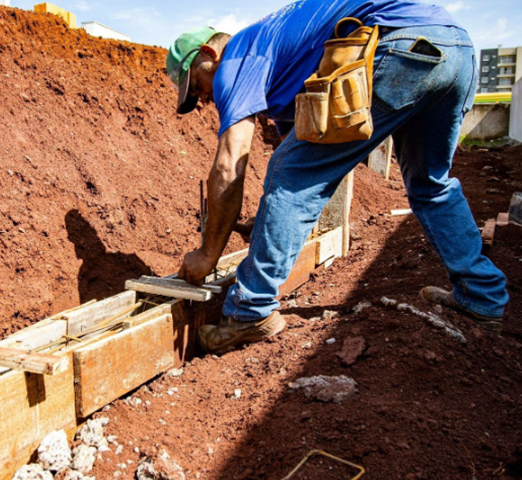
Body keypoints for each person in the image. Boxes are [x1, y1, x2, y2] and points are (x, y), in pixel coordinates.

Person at [167, 0, 509, 354]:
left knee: (287, 174)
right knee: (430, 184)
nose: (203, 100)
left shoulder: (236, 59)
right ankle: (481, 296)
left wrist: (208, 253)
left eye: (196, 86)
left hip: (399, 48)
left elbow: (231, 165)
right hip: (455, 50)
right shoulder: (278, 60)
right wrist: (270, 222)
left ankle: (248, 310)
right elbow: (308, 161)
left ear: (209, 53)